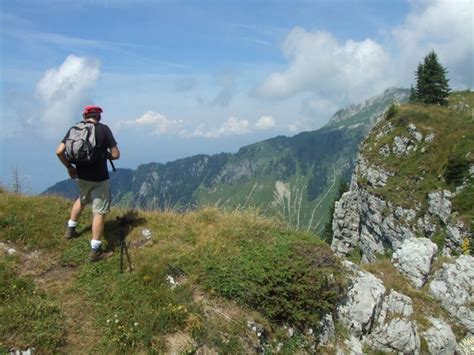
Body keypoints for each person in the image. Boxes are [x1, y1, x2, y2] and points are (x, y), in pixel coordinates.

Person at [56, 105, 120, 262]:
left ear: (85, 116)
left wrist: (69, 167)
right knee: (99, 212)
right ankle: (95, 251)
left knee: (82, 199)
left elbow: (59, 151)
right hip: (100, 178)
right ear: (99, 116)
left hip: (81, 176)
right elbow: (116, 154)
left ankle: (70, 230)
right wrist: (106, 155)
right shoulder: (103, 130)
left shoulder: (74, 129)